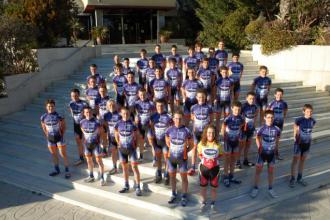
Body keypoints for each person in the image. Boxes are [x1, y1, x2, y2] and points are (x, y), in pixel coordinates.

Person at [250, 110, 281, 198]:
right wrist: (259, 147)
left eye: (272, 117)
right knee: (258, 171)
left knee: (271, 171)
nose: (270, 119)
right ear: (264, 118)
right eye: (268, 117)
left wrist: (276, 149)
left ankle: (270, 188)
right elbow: (257, 138)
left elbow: (277, 139)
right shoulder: (261, 129)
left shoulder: (277, 129)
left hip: (271, 154)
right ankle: (255, 188)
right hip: (262, 153)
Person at [166, 110, 194, 206]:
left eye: (180, 118)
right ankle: (173, 194)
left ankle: (184, 196)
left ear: (182, 119)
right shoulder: (169, 129)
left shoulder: (186, 130)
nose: (178, 120)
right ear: (173, 119)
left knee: (184, 178)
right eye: (176, 118)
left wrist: (186, 150)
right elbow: (167, 139)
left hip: (183, 159)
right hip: (171, 158)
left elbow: (191, 144)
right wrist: (170, 146)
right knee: (172, 177)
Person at [115, 107, 142, 196]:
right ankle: (126, 185)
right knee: (124, 168)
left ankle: (138, 187)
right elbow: (116, 134)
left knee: (134, 168)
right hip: (122, 149)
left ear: (129, 114)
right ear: (121, 114)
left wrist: (137, 145)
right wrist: (118, 143)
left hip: (132, 149)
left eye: (127, 113)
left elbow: (137, 136)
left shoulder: (133, 124)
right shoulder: (118, 124)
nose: (125, 115)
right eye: (124, 113)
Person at [41, 99, 70, 178]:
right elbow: (43, 127)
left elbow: (64, 127)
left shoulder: (59, 116)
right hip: (50, 139)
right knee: (54, 154)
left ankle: (67, 170)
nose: (50, 108)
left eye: (52, 106)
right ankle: (57, 170)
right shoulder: (43, 117)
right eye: (49, 106)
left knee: (63, 154)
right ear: (46, 107)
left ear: (54, 107)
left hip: (60, 138)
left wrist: (61, 135)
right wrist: (48, 135)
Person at [188, 89, 214, 176]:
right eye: (199, 97)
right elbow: (192, 118)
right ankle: (193, 167)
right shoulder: (193, 107)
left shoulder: (209, 107)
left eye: (203, 97)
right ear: (196, 97)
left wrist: (210, 131)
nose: (201, 98)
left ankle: (205, 166)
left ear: (206, 97)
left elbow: (211, 119)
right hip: (196, 131)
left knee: (205, 148)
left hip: (205, 132)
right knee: (195, 148)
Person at [289, 104, 316, 188]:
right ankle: (292, 178)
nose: (309, 113)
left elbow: (310, 130)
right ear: (303, 111)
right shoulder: (299, 120)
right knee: (295, 161)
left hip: (307, 144)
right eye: (307, 111)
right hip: (298, 144)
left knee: (302, 161)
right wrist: (295, 136)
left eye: (311, 111)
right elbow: (295, 126)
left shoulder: (313, 121)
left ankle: (299, 178)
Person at [148, 99, 173, 185]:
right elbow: (151, 128)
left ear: (165, 106)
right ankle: (158, 172)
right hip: (157, 141)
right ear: (156, 106)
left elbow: (171, 129)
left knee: (166, 156)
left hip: (165, 141)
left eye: (162, 106)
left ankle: (166, 173)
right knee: (158, 156)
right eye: (158, 106)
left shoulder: (169, 116)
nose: (160, 107)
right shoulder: (153, 116)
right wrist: (151, 139)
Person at [80, 106, 107, 186]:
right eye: (86, 112)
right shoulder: (82, 122)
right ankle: (91, 176)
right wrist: (83, 142)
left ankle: (102, 178)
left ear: (92, 112)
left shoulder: (97, 122)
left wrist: (102, 144)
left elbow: (102, 133)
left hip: (96, 145)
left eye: (89, 112)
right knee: (89, 161)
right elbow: (83, 133)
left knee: (99, 161)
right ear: (84, 113)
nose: (88, 114)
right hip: (87, 145)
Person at [198, 125, 222, 210]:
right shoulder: (201, 143)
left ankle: (213, 203)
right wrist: (206, 160)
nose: (210, 134)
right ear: (205, 133)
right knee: (203, 188)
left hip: (215, 170)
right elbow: (199, 155)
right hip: (204, 169)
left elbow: (220, 155)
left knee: (214, 189)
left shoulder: (218, 144)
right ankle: (203, 203)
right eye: (209, 132)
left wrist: (213, 160)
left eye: (212, 132)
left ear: (215, 134)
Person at [221, 101, 245, 187]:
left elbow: (242, 125)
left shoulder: (241, 118)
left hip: (236, 141)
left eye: (238, 110)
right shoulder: (228, 118)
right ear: (232, 109)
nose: (237, 111)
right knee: (227, 159)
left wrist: (237, 133)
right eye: (235, 109)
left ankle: (231, 175)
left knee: (233, 159)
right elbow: (223, 127)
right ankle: (225, 176)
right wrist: (224, 136)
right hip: (228, 141)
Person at [69, 89, 89, 166]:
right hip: (76, 125)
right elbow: (72, 113)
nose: (74, 97)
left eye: (76, 96)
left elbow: (88, 114)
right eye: (72, 96)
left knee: (85, 141)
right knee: (78, 142)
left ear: (79, 95)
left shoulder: (84, 104)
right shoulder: (71, 103)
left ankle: (89, 157)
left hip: (84, 125)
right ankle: (81, 158)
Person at [134, 88, 156, 161]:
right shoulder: (136, 103)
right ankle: (141, 156)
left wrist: (152, 121)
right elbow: (135, 113)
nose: (142, 96)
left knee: (151, 141)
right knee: (141, 140)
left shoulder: (151, 103)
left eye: (144, 95)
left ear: (146, 95)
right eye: (141, 95)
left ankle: (155, 158)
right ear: (138, 95)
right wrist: (136, 118)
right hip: (140, 124)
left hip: (149, 125)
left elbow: (154, 114)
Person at [267, 88, 288, 160]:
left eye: (281, 94)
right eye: (278, 94)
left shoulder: (284, 103)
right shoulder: (271, 103)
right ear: (275, 95)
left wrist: (281, 119)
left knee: (277, 140)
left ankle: (276, 154)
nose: (279, 96)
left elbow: (285, 112)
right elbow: (267, 113)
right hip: (272, 124)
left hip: (280, 124)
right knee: (271, 139)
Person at [239, 92, 258, 168]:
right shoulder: (243, 106)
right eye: (250, 98)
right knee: (241, 146)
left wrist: (254, 125)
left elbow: (256, 115)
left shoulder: (255, 107)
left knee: (248, 145)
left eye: (253, 99)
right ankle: (238, 161)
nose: (252, 100)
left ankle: (245, 160)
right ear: (246, 98)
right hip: (243, 128)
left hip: (251, 128)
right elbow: (239, 116)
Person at [213, 66, 234, 135]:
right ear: (221, 72)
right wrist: (215, 98)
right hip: (219, 101)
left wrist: (232, 100)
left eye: (226, 72)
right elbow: (215, 90)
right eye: (223, 72)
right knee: (218, 118)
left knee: (226, 117)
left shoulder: (231, 80)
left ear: (227, 72)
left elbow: (231, 91)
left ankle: (223, 130)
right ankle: (217, 131)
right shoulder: (218, 80)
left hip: (227, 101)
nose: (224, 73)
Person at [103, 100, 122, 175]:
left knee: (122, 152)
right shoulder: (106, 115)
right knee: (113, 152)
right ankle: (114, 167)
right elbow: (106, 126)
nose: (112, 107)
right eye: (110, 105)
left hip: (121, 137)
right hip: (111, 137)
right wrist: (107, 136)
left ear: (116, 106)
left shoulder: (120, 115)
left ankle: (124, 166)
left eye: (113, 105)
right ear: (107, 106)